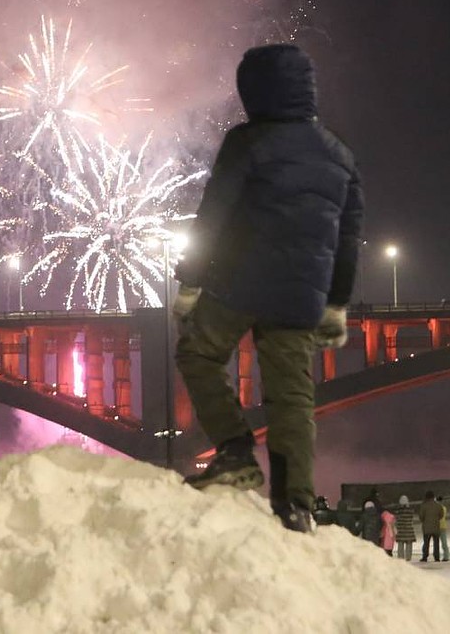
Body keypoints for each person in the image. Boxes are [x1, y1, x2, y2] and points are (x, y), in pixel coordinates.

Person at [171, 43, 364, 534]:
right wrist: (336, 304)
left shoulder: (247, 141)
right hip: (302, 296)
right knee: (292, 397)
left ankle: (235, 451)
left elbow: (212, 215)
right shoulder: (340, 154)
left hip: (239, 280)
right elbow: (348, 240)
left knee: (199, 353)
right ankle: (295, 504)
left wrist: (190, 281)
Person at [418, 490, 443, 561]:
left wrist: (424, 521)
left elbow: (421, 516)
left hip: (427, 527)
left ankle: (425, 556)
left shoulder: (424, 506)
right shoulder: (438, 505)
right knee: (436, 543)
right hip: (436, 527)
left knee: (426, 543)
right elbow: (441, 515)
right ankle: (437, 557)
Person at [394, 495, 416, 561]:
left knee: (400, 544)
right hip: (409, 529)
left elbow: (396, 520)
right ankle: (408, 557)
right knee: (409, 543)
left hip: (401, 530)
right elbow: (412, 518)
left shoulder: (398, 511)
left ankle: (400, 557)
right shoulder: (411, 510)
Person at [438, 495, 450, 561]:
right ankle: (446, 556)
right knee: (444, 542)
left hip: (438, 527)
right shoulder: (444, 508)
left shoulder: (439, 508)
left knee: (442, 543)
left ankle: (445, 556)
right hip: (443, 526)